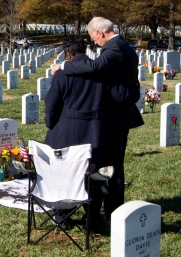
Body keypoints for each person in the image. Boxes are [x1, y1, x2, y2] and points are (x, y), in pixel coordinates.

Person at [51, 17, 143, 220]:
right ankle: (105, 207)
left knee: (111, 166)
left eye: (93, 38)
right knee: (108, 165)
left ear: (100, 33)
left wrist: (63, 67)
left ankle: (113, 211)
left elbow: (94, 68)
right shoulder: (124, 46)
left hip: (116, 115)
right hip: (119, 113)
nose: (94, 42)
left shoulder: (114, 48)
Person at [45, 35, 116, 231]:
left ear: (67, 53)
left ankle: (61, 215)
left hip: (66, 134)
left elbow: (51, 104)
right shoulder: (100, 72)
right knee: (95, 176)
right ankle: (93, 216)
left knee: (63, 174)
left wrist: (51, 124)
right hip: (95, 134)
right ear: (84, 50)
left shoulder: (62, 74)